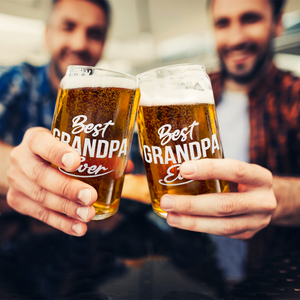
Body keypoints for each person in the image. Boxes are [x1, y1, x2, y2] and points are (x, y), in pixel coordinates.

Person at [160, 0, 300, 239]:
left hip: (272, 265)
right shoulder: (186, 96)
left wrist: (278, 198)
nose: (235, 39)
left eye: (250, 19)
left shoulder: (294, 97)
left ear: (277, 23)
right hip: (199, 266)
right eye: (223, 23)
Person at [0, 0, 119, 237]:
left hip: (83, 243)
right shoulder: (17, 82)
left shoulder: (112, 105)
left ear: (103, 44)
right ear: (48, 34)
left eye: (94, 34)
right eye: (68, 27)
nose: (79, 43)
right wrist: (15, 168)